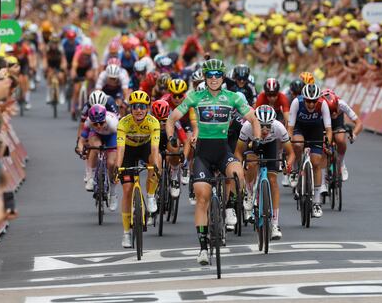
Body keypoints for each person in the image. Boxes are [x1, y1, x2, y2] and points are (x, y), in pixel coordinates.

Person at [166, 59, 260, 265]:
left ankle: (229, 206)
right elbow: (172, 118)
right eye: (210, 75)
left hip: (223, 150)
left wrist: (258, 139)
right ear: (205, 78)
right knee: (202, 197)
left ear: (223, 77)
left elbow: (254, 119)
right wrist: (172, 137)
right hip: (203, 154)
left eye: (218, 75)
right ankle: (202, 248)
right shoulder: (195, 97)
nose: (214, 79)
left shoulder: (233, 97)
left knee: (237, 176)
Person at [234, 105, 295, 239]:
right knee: (251, 163)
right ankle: (249, 193)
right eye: (261, 126)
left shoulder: (279, 127)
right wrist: (239, 165)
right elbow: (238, 152)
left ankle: (275, 224)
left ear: (273, 122)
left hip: (270, 146)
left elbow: (291, 153)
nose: (265, 130)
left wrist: (288, 165)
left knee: (273, 181)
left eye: (268, 126)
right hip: (252, 144)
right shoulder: (247, 127)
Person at [116, 91, 161, 247]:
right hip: (128, 151)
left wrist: (155, 166)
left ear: (147, 108)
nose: (139, 110)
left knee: (157, 160)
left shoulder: (153, 122)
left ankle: (150, 196)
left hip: (145, 148)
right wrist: (117, 168)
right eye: (135, 107)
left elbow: (154, 149)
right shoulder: (123, 123)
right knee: (127, 190)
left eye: (142, 107)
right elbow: (120, 150)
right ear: (131, 108)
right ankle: (126, 233)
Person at [287, 84, 332, 218]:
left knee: (316, 162)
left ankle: (317, 202)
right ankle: (295, 171)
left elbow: (328, 130)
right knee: (298, 144)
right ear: (304, 99)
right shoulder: (296, 102)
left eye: (314, 101)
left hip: (315, 130)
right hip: (299, 129)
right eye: (308, 101)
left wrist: (327, 143)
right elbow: (290, 127)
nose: (311, 104)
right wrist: (288, 142)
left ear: (317, 100)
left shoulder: (323, 104)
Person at [77, 104, 119, 211]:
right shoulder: (88, 122)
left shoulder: (114, 124)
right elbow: (81, 141)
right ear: (91, 121)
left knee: (111, 163)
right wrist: (81, 150)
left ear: (105, 119)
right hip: (96, 136)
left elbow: (121, 143)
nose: (99, 126)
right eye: (95, 124)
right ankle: (91, 176)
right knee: (95, 147)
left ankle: (113, 194)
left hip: (112, 135)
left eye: (101, 122)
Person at [321, 89, 363, 185]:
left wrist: (354, 134)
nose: (334, 114)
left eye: (335, 111)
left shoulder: (342, 104)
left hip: (337, 124)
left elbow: (359, 123)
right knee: (324, 143)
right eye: (331, 112)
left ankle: (341, 163)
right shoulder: (319, 106)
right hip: (323, 122)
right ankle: (323, 175)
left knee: (340, 139)